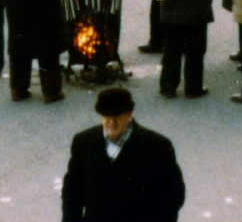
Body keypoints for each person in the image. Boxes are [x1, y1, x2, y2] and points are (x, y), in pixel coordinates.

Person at [61, 87, 186, 222]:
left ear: (129, 114)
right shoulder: (83, 142)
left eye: (117, 116)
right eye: (106, 116)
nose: (111, 122)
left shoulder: (157, 146)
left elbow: (172, 194)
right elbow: (72, 193)